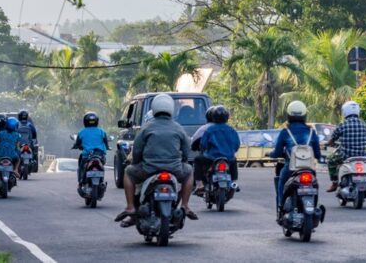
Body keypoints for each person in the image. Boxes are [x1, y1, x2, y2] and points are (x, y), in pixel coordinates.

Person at [114, 94, 198, 227]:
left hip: (149, 169)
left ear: (154, 109)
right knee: (189, 172)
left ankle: (130, 207)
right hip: (175, 169)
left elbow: (137, 150)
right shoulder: (178, 127)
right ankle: (185, 206)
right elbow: (186, 150)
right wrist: (183, 161)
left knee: (128, 172)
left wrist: (136, 162)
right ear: (171, 109)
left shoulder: (146, 128)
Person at [268, 100, 321, 216]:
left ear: (289, 115)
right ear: (304, 115)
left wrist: (269, 154)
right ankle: (313, 207)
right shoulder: (312, 132)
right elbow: (318, 154)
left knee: (281, 181)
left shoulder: (285, 132)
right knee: (315, 184)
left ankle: (281, 207)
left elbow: (277, 153)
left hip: (291, 168)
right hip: (309, 169)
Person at [325, 101, 366, 192]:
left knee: (330, 160)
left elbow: (333, 139)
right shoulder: (364, 125)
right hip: (363, 156)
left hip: (346, 155)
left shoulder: (343, 125)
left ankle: (334, 183)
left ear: (345, 112)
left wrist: (329, 143)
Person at [193, 105, 240, 194]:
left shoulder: (209, 130)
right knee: (234, 162)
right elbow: (237, 145)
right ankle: (234, 182)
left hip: (211, 158)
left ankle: (199, 184)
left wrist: (205, 149)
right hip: (228, 158)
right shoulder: (232, 130)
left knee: (197, 160)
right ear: (227, 117)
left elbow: (203, 145)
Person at [72, 112, 110, 183]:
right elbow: (106, 142)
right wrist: (108, 147)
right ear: (97, 121)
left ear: (85, 121)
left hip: (87, 155)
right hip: (100, 155)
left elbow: (77, 143)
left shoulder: (82, 132)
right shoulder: (101, 131)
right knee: (102, 165)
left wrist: (75, 146)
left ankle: (81, 180)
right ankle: (101, 180)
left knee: (81, 167)